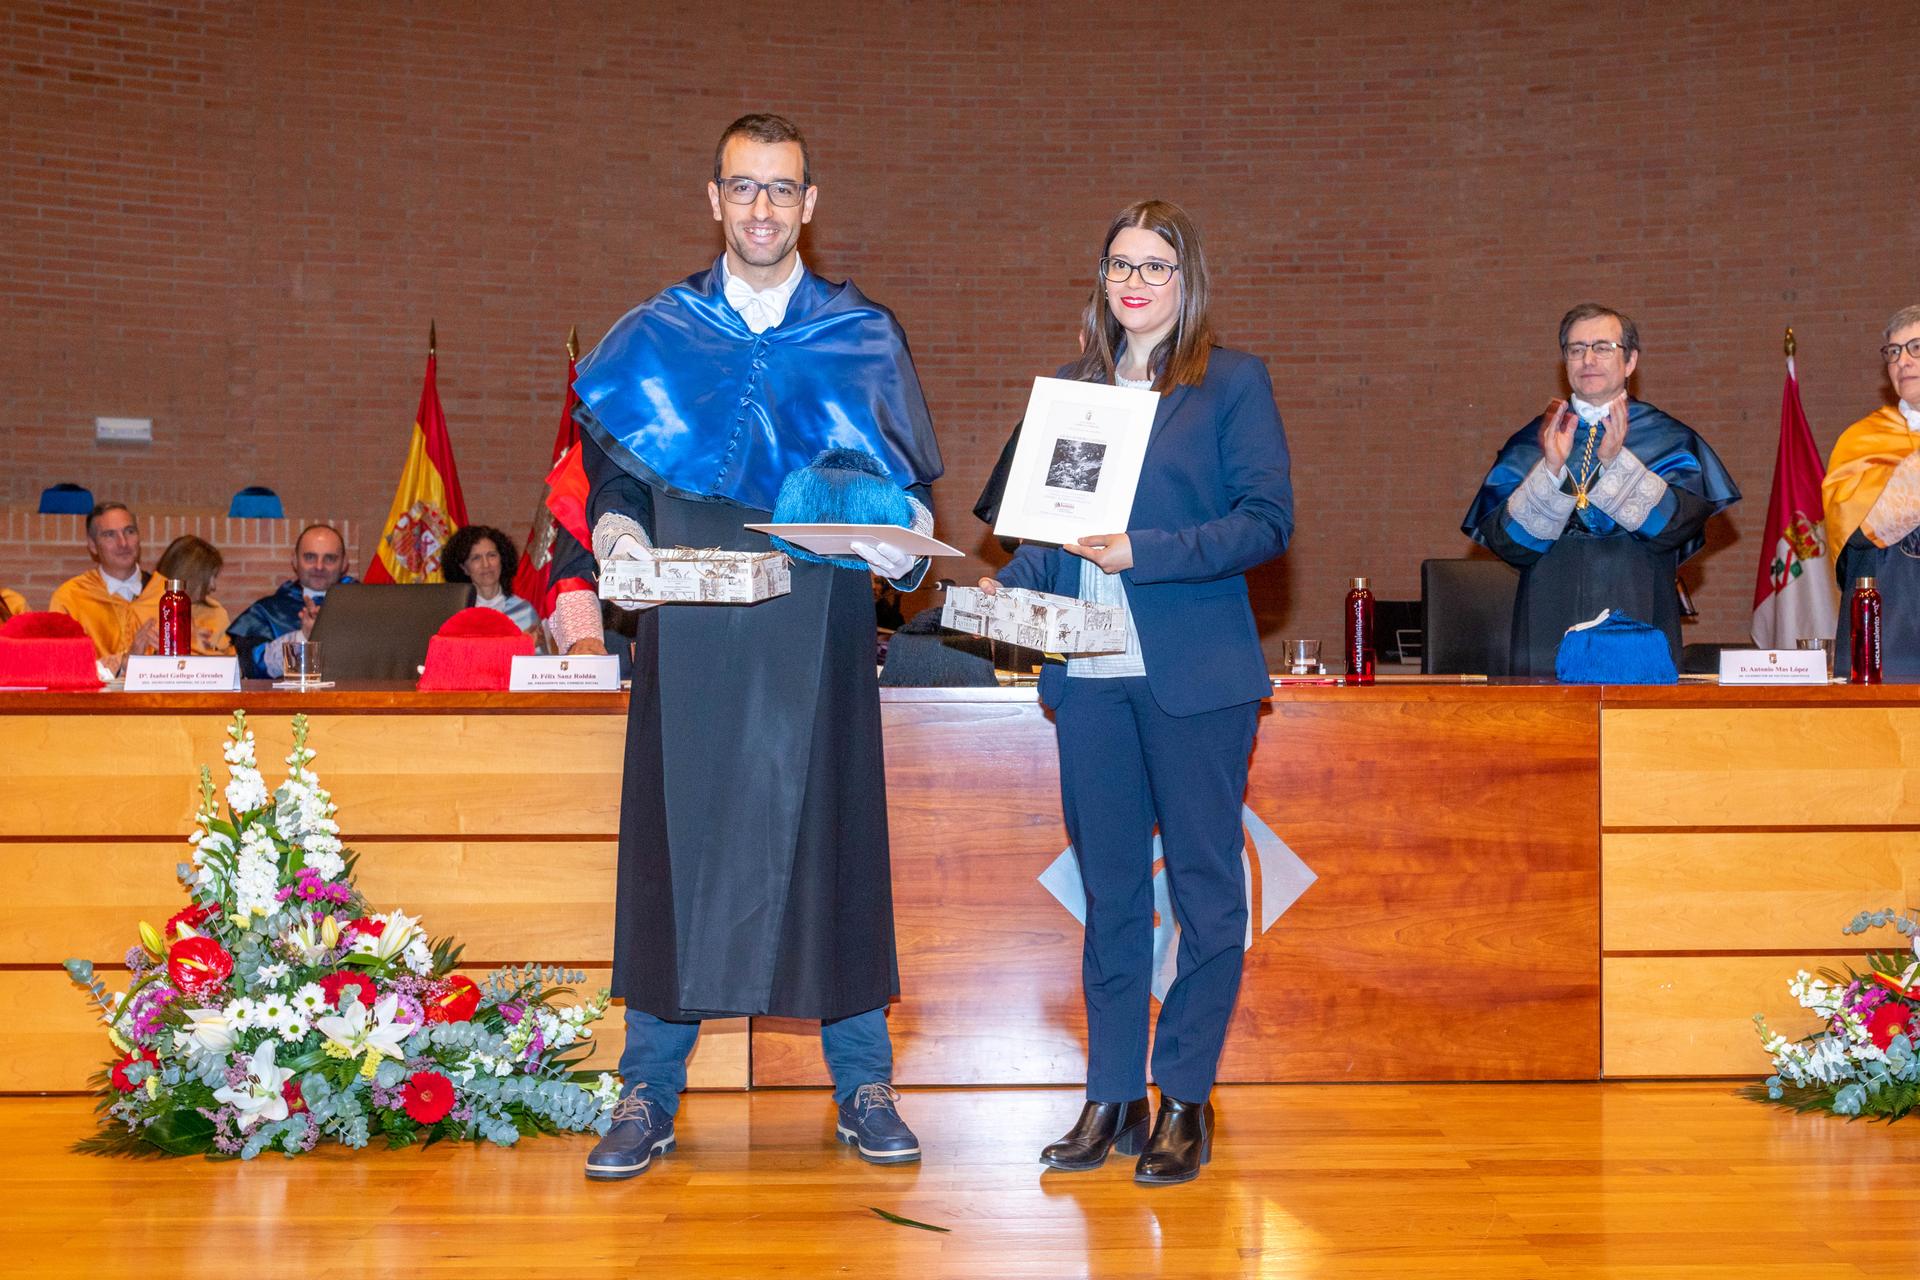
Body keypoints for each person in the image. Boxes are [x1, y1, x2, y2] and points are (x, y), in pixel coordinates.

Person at [574, 113, 943, 1183]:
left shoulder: (861, 334)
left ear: (810, 204)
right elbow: (614, 469)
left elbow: (902, 493)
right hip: (688, 626)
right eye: (744, 189)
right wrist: (616, 524)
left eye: (782, 190)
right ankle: (649, 1087)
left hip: (814, 625)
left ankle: (863, 1079)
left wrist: (905, 544)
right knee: (677, 843)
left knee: (830, 832)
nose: (763, 209)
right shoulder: (658, 329)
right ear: (713, 198)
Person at [981, 200, 1293, 1186]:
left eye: (1156, 265)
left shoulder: (1232, 383)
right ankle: (1110, 1093)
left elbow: (1266, 521)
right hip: (1090, 682)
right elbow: (1039, 532)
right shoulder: (1069, 391)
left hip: (1196, 677)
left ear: (1186, 279)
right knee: (1111, 895)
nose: (1137, 282)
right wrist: (1005, 586)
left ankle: (1185, 1095)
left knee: (1206, 894)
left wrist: (1142, 551)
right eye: (1122, 263)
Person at [1463, 304, 1740, 675]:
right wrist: (1550, 470)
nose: (1587, 359)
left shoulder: (1669, 439)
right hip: (1548, 608)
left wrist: (1617, 465)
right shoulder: (1531, 442)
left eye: (1602, 347)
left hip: (1637, 603)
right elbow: (1507, 542)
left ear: (1630, 361)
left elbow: (1677, 526)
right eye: (1576, 349)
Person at [1823, 304, 1920, 676]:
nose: (1903, 361)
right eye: (1894, 352)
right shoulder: (1863, 440)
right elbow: (1860, 531)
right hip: (1891, 639)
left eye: (1915, 347)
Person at [48, 501, 164, 670]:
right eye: (110, 535)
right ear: (93, 545)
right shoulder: (71, 598)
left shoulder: (167, 595)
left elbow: (190, 666)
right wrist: (122, 663)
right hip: (94, 697)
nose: (123, 543)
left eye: (129, 532)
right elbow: (59, 667)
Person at [227, 525, 352, 679]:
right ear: (294, 560)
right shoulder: (268, 611)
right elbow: (253, 669)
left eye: (330, 558)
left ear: (344, 563)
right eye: (310, 557)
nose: (319, 566)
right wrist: (302, 638)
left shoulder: (365, 608)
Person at [132, 535, 235, 656]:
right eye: (210, 577)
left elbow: (229, 664)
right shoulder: (139, 613)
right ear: (191, 575)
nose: (213, 586)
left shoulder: (216, 613)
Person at [440, 525, 539, 633]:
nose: (486, 564)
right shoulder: (454, 614)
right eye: (476, 558)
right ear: (464, 568)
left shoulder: (524, 610)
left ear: (502, 559)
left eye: (492, 555)